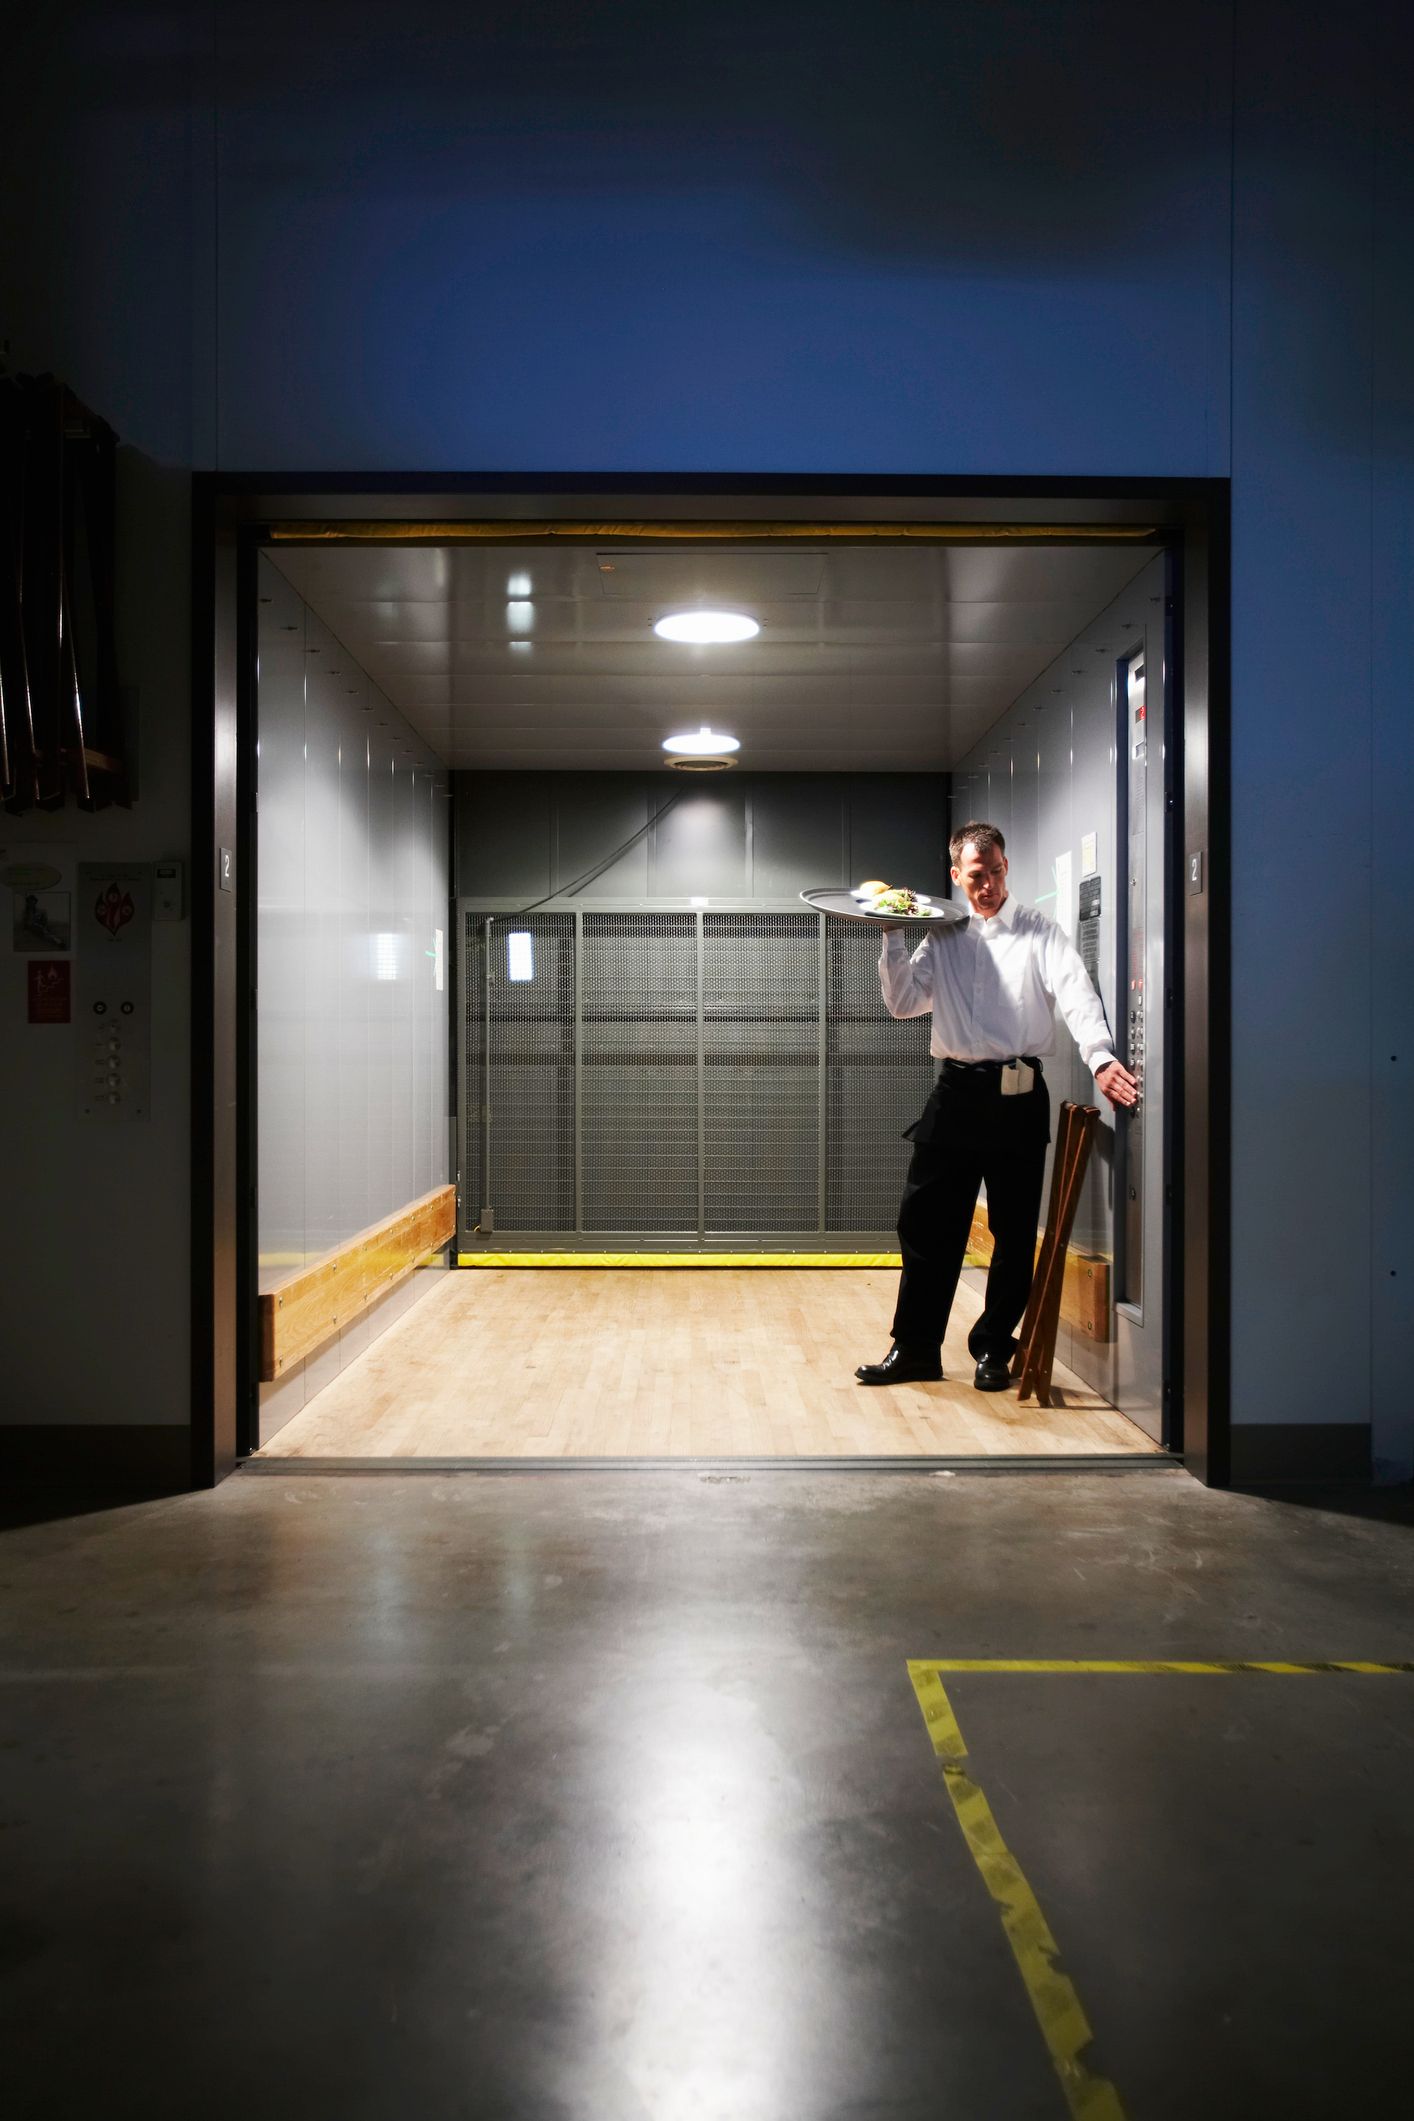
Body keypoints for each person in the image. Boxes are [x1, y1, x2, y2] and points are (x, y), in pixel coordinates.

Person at [857, 822, 1139, 1391]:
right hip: (955, 1095)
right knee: (927, 1226)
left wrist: (1102, 1058)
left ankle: (993, 1350)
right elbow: (904, 1003)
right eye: (977, 876)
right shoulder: (942, 934)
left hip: (1017, 1096)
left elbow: (1076, 992)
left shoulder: (1039, 930)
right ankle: (915, 1349)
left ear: (1006, 867)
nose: (988, 885)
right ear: (957, 876)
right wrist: (891, 935)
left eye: (997, 872)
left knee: (1013, 1234)